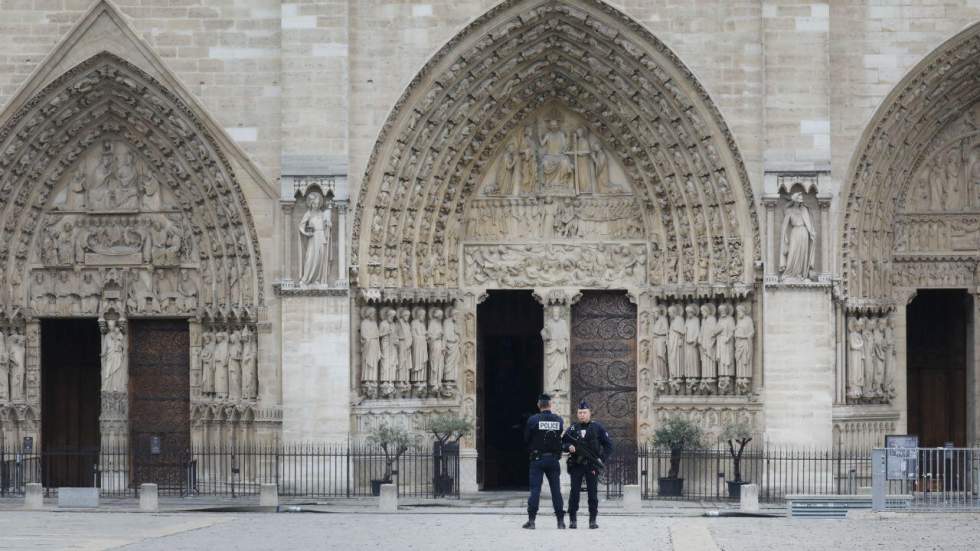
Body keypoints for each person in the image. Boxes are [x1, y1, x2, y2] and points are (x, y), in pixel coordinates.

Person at [562, 401, 613, 529]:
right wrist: (569, 447)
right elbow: (562, 444)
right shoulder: (573, 428)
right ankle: (573, 519)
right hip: (576, 465)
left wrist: (602, 459)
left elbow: (608, 445)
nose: (582, 415)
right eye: (580, 413)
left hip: (592, 465)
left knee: (592, 493)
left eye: (584, 412)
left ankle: (592, 520)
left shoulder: (597, 428)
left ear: (590, 413)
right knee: (574, 492)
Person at [523, 393, 565, 530]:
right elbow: (559, 436)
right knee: (556, 491)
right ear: (550, 404)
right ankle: (560, 521)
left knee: (535, 490)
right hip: (553, 460)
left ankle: (532, 521)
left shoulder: (533, 420)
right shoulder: (558, 420)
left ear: (538, 405)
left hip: (537, 459)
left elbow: (526, 439)